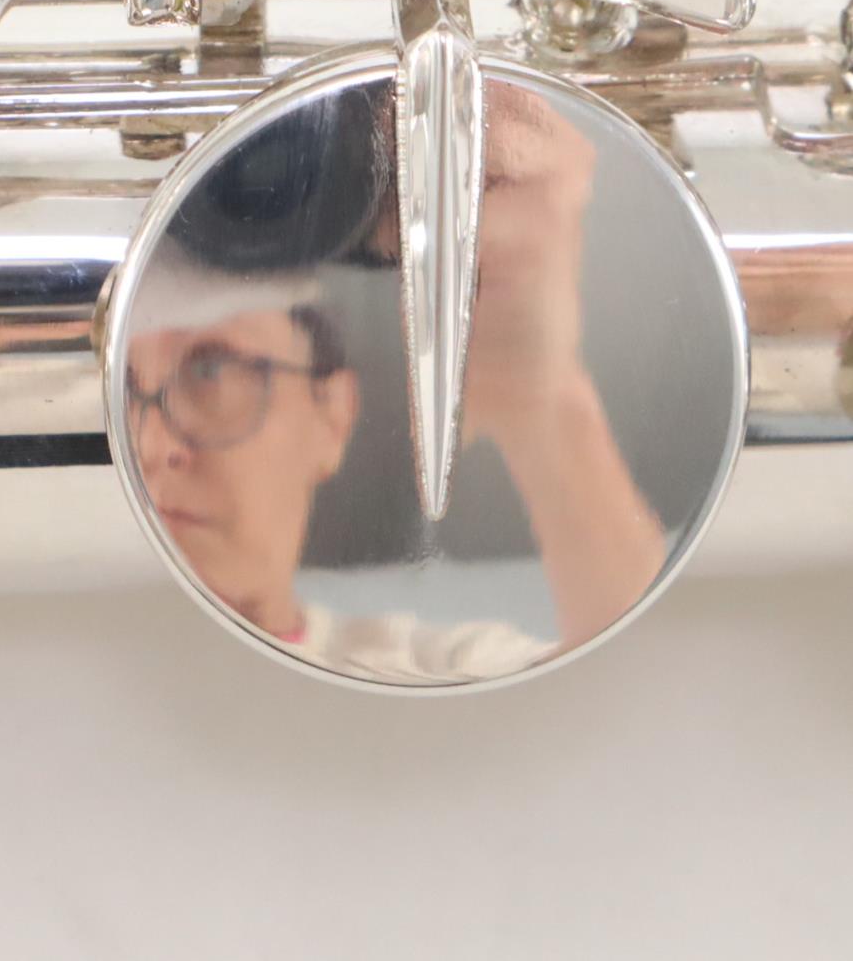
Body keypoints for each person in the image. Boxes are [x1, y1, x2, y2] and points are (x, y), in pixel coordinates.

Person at [125, 78, 669, 684]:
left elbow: (633, 695)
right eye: (123, 388)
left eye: (210, 370)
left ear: (333, 415)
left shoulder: (429, 670)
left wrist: (537, 395)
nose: (149, 446)